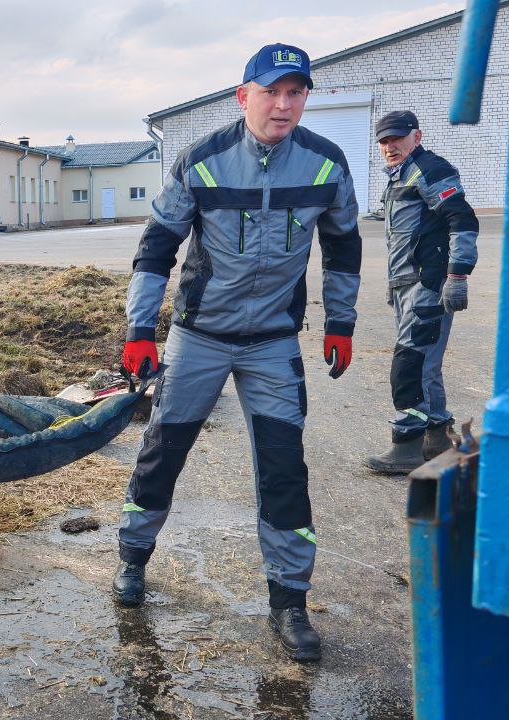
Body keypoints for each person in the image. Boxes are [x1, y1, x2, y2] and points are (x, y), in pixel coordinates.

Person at [114, 43, 362, 663]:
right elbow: (156, 246)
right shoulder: (202, 161)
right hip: (199, 337)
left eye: (295, 92)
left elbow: (344, 246)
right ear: (242, 95)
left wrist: (341, 322)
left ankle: (289, 601)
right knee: (164, 451)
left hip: (272, 343)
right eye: (270, 91)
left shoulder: (326, 165)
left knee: (284, 468)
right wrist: (140, 329)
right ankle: (133, 557)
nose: (283, 104)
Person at [364, 111, 478, 474]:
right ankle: (437, 437)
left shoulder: (430, 169)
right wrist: (395, 286)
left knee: (410, 365)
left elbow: (462, 219)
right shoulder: (400, 175)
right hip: (407, 284)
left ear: (417, 136)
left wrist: (457, 274)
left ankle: (407, 446)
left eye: (397, 138)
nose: (389, 146)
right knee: (426, 364)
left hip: (428, 285)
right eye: (383, 141)